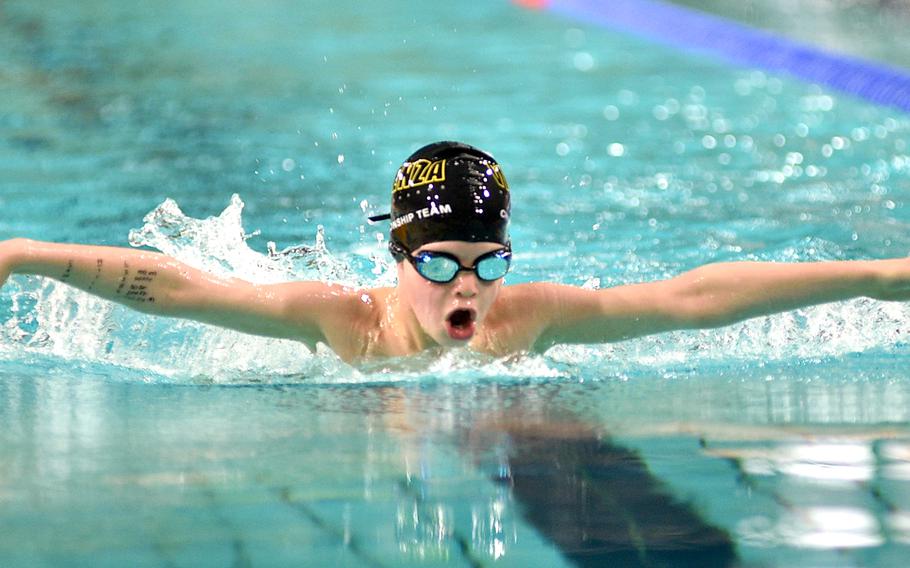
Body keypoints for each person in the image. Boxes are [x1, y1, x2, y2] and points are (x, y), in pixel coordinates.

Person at [1, 141, 908, 363]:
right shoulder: (347, 325)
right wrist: (24, 251)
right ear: (397, 259)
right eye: (440, 263)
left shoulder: (524, 318)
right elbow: (183, 287)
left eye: (486, 260)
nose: (466, 284)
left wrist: (881, 276)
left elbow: (692, 298)